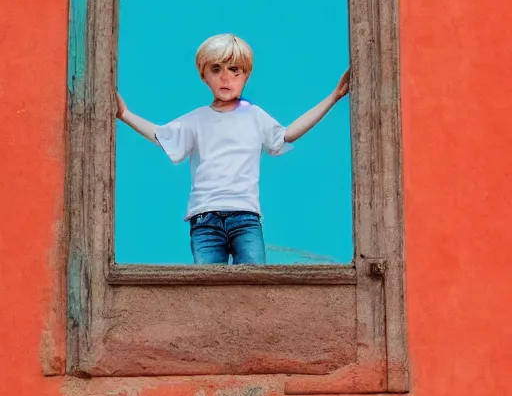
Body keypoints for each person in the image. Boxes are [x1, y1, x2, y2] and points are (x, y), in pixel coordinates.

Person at [116, 33, 349, 266]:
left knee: (253, 284)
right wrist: (124, 114)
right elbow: (162, 135)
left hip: (245, 218)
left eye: (234, 70)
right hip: (205, 219)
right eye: (216, 69)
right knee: (208, 288)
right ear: (204, 76)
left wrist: (333, 97)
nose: (225, 77)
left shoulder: (255, 116)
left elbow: (288, 134)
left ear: (246, 75)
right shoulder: (196, 119)